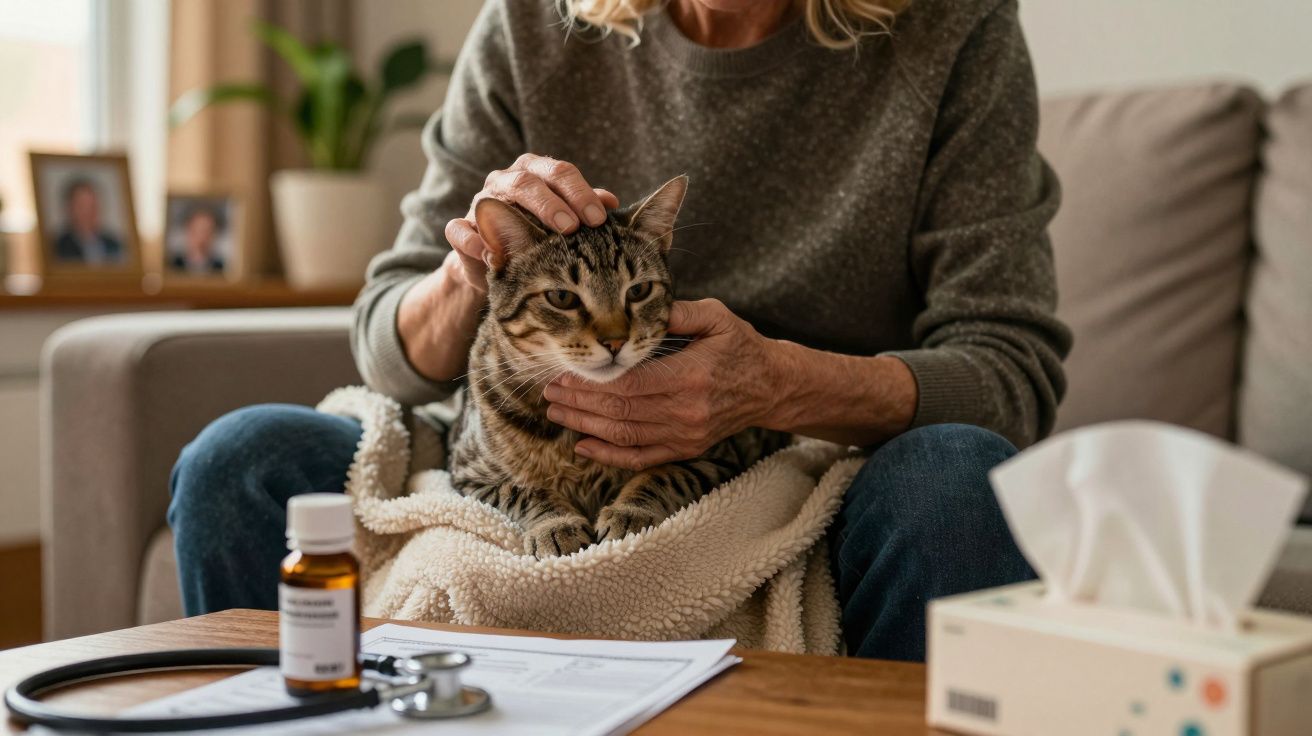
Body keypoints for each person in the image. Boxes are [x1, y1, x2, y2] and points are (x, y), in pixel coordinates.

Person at [170, 0, 1069, 662]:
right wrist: (469, 267)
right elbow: (384, 344)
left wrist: (780, 383)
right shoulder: (530, 22)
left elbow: (1010, 372)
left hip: (810, 453)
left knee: (957, 482)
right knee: (238, 461)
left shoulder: (956, 27)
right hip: (520, 435)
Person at [53, 177, 124, 265]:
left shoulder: (114, 245)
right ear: (69, 208)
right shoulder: (57, 247)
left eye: (92, 206)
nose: (89, 212)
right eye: (82, 206)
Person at [170, 204, 226, 274]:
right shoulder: (173, 265)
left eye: (208, 231)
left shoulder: (221, 268)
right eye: (197, 230)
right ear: (188, 231)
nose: (202, 237)